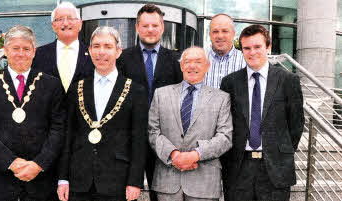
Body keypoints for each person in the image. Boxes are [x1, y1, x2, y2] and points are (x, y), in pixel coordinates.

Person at [0, 25, 65, 201]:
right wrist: (11, 162)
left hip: (41, 181)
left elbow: (58, 129)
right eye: (15, 48)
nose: (21, 53)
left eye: (26, 49)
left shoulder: (51, 85)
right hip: (1, 179)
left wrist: (39, 164)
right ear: (6, 51)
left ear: (34, 52)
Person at [57, 26, 148, 201]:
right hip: (79, 181)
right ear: (90, 51)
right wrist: (63, 178)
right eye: (96, 46)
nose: (101, 52)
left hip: (117, 181)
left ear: (118, 51)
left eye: (108, 46)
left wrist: (135, 181)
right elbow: (68, 135)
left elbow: (139, 140)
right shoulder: (77, 88)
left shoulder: (135, 91)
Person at [220, 25, 304, 201]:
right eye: (247, 48)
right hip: (239, 167)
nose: (252, 52)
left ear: (268, 47)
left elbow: (296, 125)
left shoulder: (288, 80)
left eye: (257, 47)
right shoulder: (230, 83)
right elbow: (225, 124)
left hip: (275, 168)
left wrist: (279, 151)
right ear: (242, 50)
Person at [148, 47, 232, 201]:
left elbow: (225, 137)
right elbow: (152, 131)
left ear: (207, 66)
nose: (192, 66)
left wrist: (195, 155)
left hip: (204, 183)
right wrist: (174, 155)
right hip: (168, 182)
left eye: (198, 62)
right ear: (181, 66)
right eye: (187, 61)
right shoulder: (161, 94)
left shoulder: (221, 98)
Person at [116, 4, 182, 200]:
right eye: (145, 26)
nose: (150, 30)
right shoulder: (123, 59)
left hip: (164, 138)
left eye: (155, 25)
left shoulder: (175, 59)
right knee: (126, 192)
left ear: (162, 27)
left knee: (161, 194)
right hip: (129, 137)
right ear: (137, 27)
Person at [32, 1, 94, 92]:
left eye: (70, 18)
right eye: (60, 19)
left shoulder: (93, 54)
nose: (65, 23)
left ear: (80, 24)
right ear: (53, 26)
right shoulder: (38, 54)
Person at [203, 13, 246, 89]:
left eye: (225, 31)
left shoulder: (246, 61)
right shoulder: (197, 60)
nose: (220, 36)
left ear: (233, 34)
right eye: (215, 31)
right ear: (210, 35)